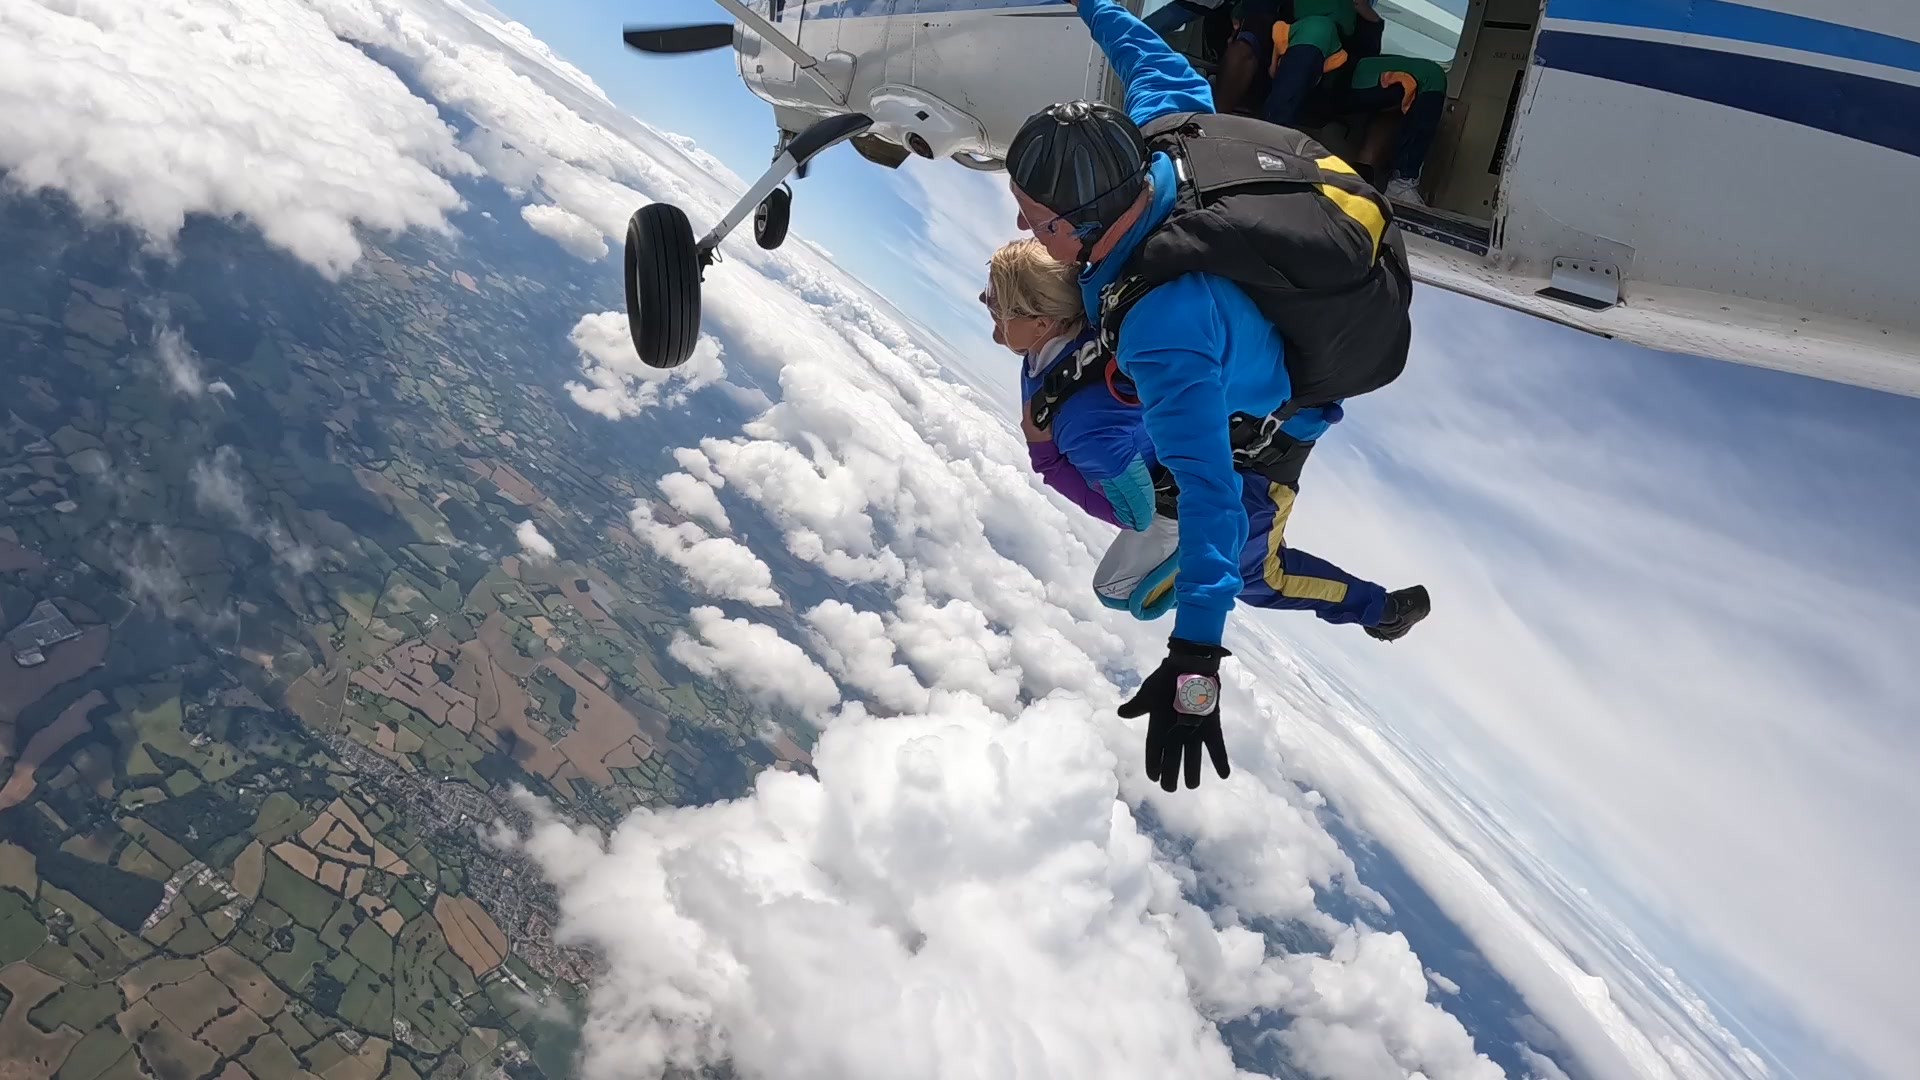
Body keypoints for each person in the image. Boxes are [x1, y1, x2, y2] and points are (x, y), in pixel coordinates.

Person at [1007, 0, 1429, 792]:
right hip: (1243, 331)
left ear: (1072, 226)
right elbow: (1144, 52)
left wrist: (1196, 665)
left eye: (1032, 218)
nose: (1024, 228)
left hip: (1277, 428)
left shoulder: (1162, 329)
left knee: (1255, 569)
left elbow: (1212, 500)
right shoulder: (1174, 130)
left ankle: (1380, 610)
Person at [988, 236, 1415, 632]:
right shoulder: (1100, 305)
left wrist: (1045, 455)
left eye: (996, 308)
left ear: (1042, 322)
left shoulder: (1080, 424)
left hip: (1266, 441)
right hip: (1234, 421)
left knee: (1257, 575)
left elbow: (1133, 513)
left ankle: (1381, 611)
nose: (989, 316)